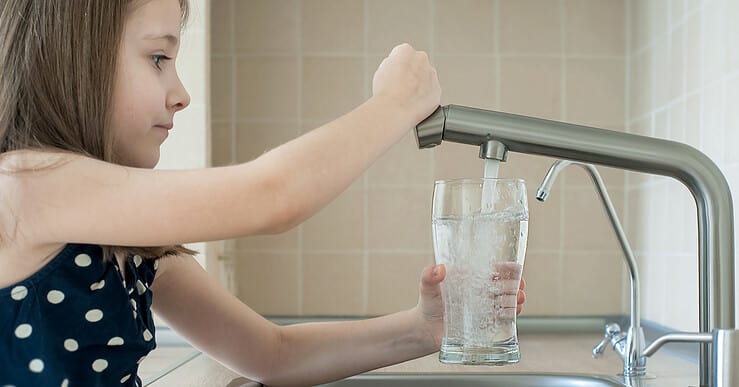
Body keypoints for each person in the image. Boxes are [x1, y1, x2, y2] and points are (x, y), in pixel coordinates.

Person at [0, 0, 526, 386]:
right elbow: (274, 195)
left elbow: (274, 355)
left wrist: (424, 329)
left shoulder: (125, 244)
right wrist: (396, 103)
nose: (180, 94)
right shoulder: (23, 188)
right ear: (71, 59)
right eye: (159, 57)